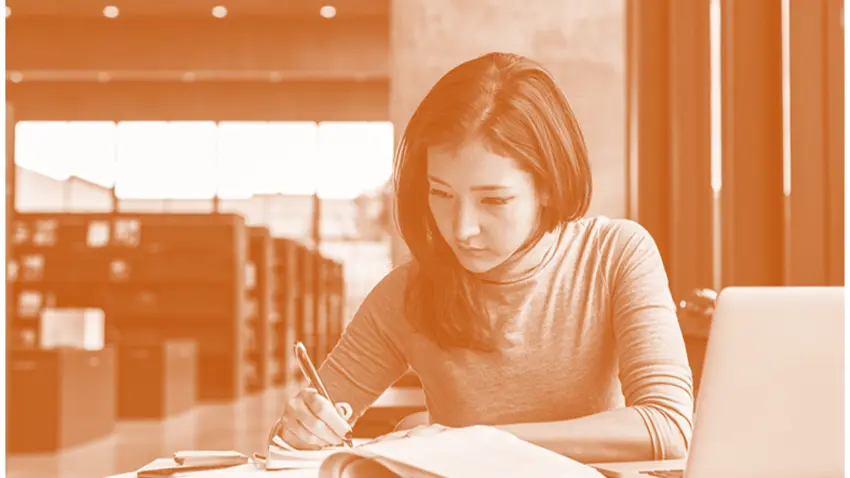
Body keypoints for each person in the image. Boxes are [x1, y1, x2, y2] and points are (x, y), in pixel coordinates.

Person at [274, 52, 694, 464]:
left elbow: (668, 426)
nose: (461, 230)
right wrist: (301, 430)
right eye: (441, 194)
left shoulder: (614, 255)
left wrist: (473, 441)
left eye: (493, 200)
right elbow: (289, 448)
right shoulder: (406, 293)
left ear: (547, 186)